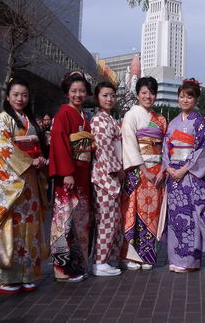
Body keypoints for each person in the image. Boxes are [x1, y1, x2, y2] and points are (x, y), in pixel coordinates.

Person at [0, 77, 49, 294]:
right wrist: (29, 161)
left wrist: (40, 159)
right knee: (11, 227)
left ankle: (27, 275)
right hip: (13, 182)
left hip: (30, 182)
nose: (20, 98)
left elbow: (37, 145)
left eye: (24, 95)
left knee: (29, 227)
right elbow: (3, 147)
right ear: (8, 97)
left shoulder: (29, 119)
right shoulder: (3, 119)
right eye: (16, 94)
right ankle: (4, 279)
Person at [162, 78, 205, 272]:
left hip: (189, 176)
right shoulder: (173, 122)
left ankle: (190, 262)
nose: (185, 100)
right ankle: (175, 259)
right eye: (182, 96)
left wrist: (184, 169)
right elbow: (166, 148)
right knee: (175, 218)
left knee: (190, 217)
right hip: (173, 177)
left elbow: (202, 150)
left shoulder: (200, 123)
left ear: (196, 99)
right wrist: (168, 168)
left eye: (189, 97)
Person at [49, 71, 95, 282]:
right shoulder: (63, 114)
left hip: (82, 174)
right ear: (67, 93)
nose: (78, 95)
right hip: (69, 175)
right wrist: (66, 172)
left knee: (79, 220)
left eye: (82, 91)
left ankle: (77, 265)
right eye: (74, 91)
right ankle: (62, 269)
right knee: (64, 220)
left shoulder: (83, 115)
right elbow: (59, 143)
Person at [121, 77, 168, 270]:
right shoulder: (131, 115)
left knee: (152, 213)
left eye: (152, 93)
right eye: (144, 92)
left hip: (156, 171)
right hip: (138, 172)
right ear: (137, 94)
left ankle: (147, 255)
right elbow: (130, 144)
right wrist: (144, 170)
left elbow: (166, 147)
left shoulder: (160, 119)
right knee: (134, 211)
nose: (148, 96)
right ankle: (131, 256)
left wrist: (163, 168)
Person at [90, 81, 124, 277]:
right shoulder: (98, 120)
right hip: (105, 175)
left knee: (112, 219)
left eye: (112, 95)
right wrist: (118, 169)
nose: (109, 99)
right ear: (97, 97)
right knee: (105, 220)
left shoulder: (110, 119)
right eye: (105, 95)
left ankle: (106, 258)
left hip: (110, 174)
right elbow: (104, 149)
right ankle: (100, 261)